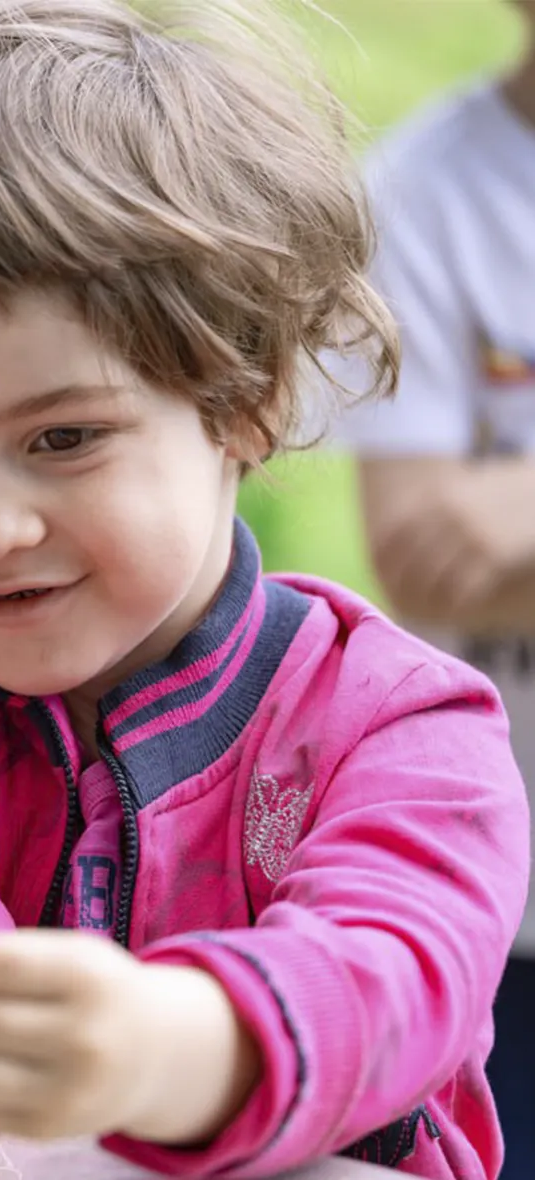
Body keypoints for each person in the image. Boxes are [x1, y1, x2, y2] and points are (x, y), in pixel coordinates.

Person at [0, 1, 529, 1178]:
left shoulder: (399, 722)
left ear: (248, 397)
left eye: (64, 437)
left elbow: (396, 976)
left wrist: (164, 1046)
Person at [339, 2, 535, 1172]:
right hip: (509, 885)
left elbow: (477, 531)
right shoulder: (424, 188)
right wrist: (472, 517)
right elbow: (419, 548)